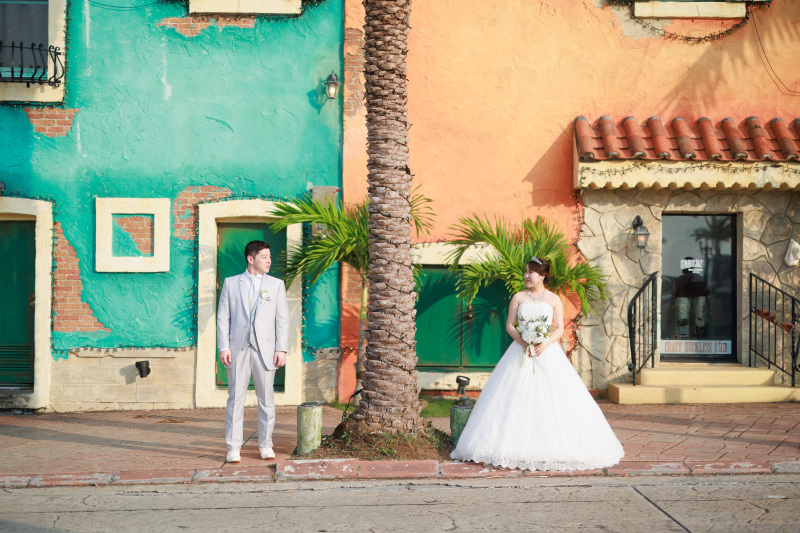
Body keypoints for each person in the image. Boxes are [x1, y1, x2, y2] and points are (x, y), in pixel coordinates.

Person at [450, 257, 624, 472]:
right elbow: (510, 325)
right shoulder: (518, 297)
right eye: (525, 271)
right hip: (521, 351)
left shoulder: (553, 299)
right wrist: (524, 342)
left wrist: (545, 344)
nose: (526, 276)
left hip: (547, 352)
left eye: (531, 272)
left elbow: (559, 328)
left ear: (542, 276)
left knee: (554, 397)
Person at [217, 240, 289, 463]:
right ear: (251, 259)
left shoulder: (276, 285)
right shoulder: (231, 283)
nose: (269, 260)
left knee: (266, 401)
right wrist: (224, 346)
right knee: (235, 400)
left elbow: (282, 319)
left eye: (269, 256)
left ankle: (266, 445)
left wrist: (281, 349)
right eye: (264, 257)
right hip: (238, 349)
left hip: (265, 350)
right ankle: (233, 447)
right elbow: (223, 317)